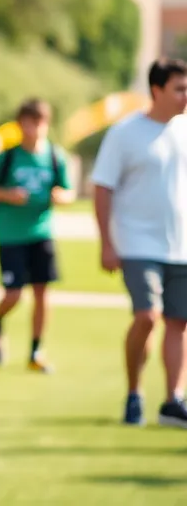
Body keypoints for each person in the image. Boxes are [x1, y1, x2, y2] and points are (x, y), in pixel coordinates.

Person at [91, 57, 187, 428]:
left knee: (178, 323)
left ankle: (172, 401)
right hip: (137, 243)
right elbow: (103, 188)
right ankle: (134, 393)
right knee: (147, 317)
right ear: (156, 90)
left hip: (181, 245)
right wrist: (106, 243)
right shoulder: (125, 132)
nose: (185, 96)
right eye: (178, 88)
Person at [0, 98, 73, 374]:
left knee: (43, 294)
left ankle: (35, 350)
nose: (34, 129)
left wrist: (60, 197)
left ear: (46, 124)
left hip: (41, 233)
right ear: (20, 125)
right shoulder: (7, 157)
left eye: (39, 123)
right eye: (28, 123)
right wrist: (8, 195)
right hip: (11, 234)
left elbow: (67, 191)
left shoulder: (55, 157)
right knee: (13, 295)